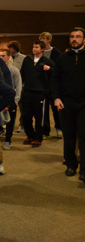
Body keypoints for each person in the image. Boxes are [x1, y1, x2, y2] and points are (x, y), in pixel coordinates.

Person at [51, 27, 85, 182]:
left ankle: (84, 170)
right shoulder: (62, 58)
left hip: (83, 104)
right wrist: (56, 98)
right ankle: (71, 165)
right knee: (69, 137)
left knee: (83, 137)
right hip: (66, 104)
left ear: (84, 39)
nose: (74, 39)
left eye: (78, 36)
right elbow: (55, 80)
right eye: (72, 36)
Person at [20, 41, 55, 148]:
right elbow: (22, 74)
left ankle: (38, 137)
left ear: (42, 49)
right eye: (33, 47)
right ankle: (30, 135)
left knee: (39, 117)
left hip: (40, 93)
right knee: (26, 116)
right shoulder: (27, 60)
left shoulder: (47, 61)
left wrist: (49, 69)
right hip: (27, 91)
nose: (34, 49)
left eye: (36, 47)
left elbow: (56, 74)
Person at [39, 32, 62, 139]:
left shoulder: (56, 53)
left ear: (49, 40)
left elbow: (60, 69)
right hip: (43, 85)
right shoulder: (39, 53)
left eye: (44, 38)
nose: (42, 40)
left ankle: (58, 128)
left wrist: (49, 69)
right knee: (44, 110)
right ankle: (45, 131)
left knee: (55, 108)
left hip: (53, 85)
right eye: (41, 38)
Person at [0, 49, 22, 150]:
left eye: (3, 56)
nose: (1, 58)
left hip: (11, 98)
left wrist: (16, 100)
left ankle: (8, 139)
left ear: (8, 57)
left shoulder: (14, 70)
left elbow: (18, 85)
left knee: (10, 121)